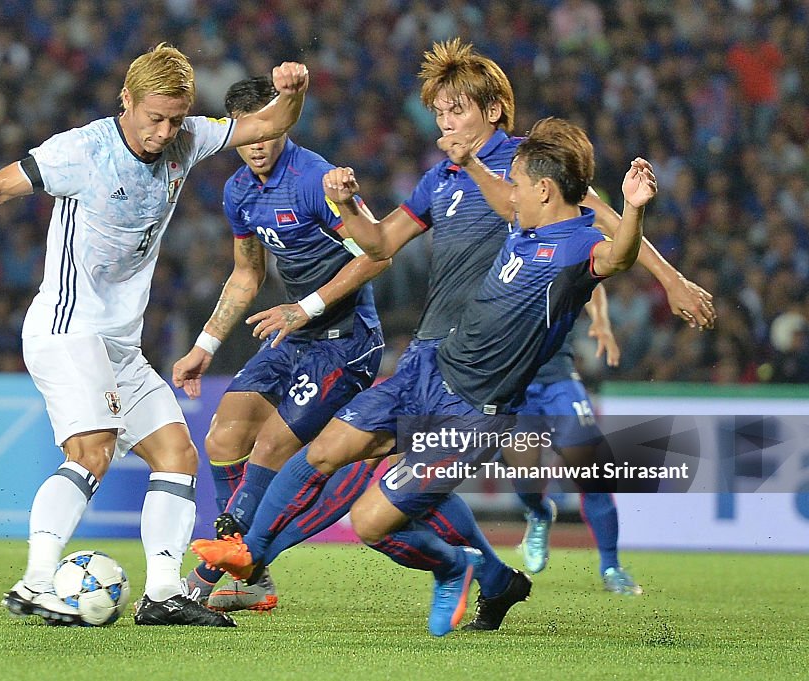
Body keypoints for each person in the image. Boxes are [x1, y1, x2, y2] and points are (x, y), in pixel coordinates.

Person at [192, 40, 711, 632]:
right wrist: (346, 208)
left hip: (483, 375)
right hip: (427, 355)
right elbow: (380, 245)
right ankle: (490, 578)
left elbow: (608, 227)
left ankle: (240, 566)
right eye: (437, 112)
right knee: (371, 470)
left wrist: (672, 281)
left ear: (492, 111)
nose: (444, 123)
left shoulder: (529, 169)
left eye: (455, 109)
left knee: (380, 495)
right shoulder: (439, 178)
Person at [0, 43, 309, 628]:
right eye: (155, 119)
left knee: (176, 455)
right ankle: (36, 581)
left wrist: (292, 91)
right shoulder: (81, 151)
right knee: (92, 451)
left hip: (120, 343)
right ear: (126, 101)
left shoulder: (189, 137)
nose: (165, 132)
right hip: (66, 328)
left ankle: (165, 595)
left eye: (175, 119)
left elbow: (270, 120)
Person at [170, 76, 388, 611]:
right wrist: (206, 344)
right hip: (293, 339)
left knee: (269, 446)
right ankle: (251, 575)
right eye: (247, 137)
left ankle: (205, 578)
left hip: (345, 340)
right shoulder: (239, 193)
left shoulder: (315, 179)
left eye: (267, 132)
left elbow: (377, 252)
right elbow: (246, 273)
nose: (258, 145)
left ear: (283, 124)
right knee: (223, 437)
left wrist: (304, 306)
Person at [511, 286, 644, 596]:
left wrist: (600, 320)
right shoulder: (499, 246)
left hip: (558, 378)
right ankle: (539, 512)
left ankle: (611, 566)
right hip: (512, 382)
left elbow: (592, 274)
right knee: (524, 476)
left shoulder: (562, 240)